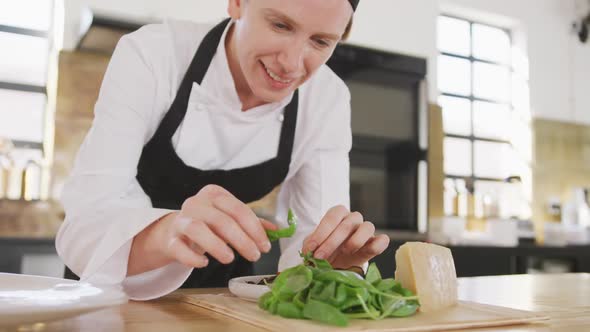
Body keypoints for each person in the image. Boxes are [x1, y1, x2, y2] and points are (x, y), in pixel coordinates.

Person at [56, 0, 390, 300]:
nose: (291, 64)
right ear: (237, 3)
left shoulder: (327, 100)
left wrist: (332, 267)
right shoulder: (154, 53)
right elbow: (84, 230)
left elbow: (314, 236)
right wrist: (170, 233)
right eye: (280, 25)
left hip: (221, 298)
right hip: (111, 290)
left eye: (320, 41)